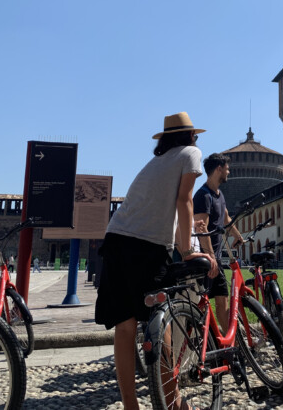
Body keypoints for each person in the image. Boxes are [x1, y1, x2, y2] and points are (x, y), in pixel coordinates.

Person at [94, 112, 218, 410]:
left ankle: (131, 407)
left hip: (115, 239)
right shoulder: (191, 153)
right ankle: (173, 403)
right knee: (158, 322)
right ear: (191, 136)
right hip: (147, 247)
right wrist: (188, 251)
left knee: (125, 328)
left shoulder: (154, 164)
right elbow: (184, 200)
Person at [193, 153, 244, 333]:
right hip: (205, 260)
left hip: (216, 259)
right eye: (227, 168)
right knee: (200, 305)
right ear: (219, 169)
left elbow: (225, 218)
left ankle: (227, 344)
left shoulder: (219, 195)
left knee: (222, 301)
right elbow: (201, 229)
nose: (229, 171)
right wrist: (211, 258)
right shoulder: (203, 196)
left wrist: (237, 235)